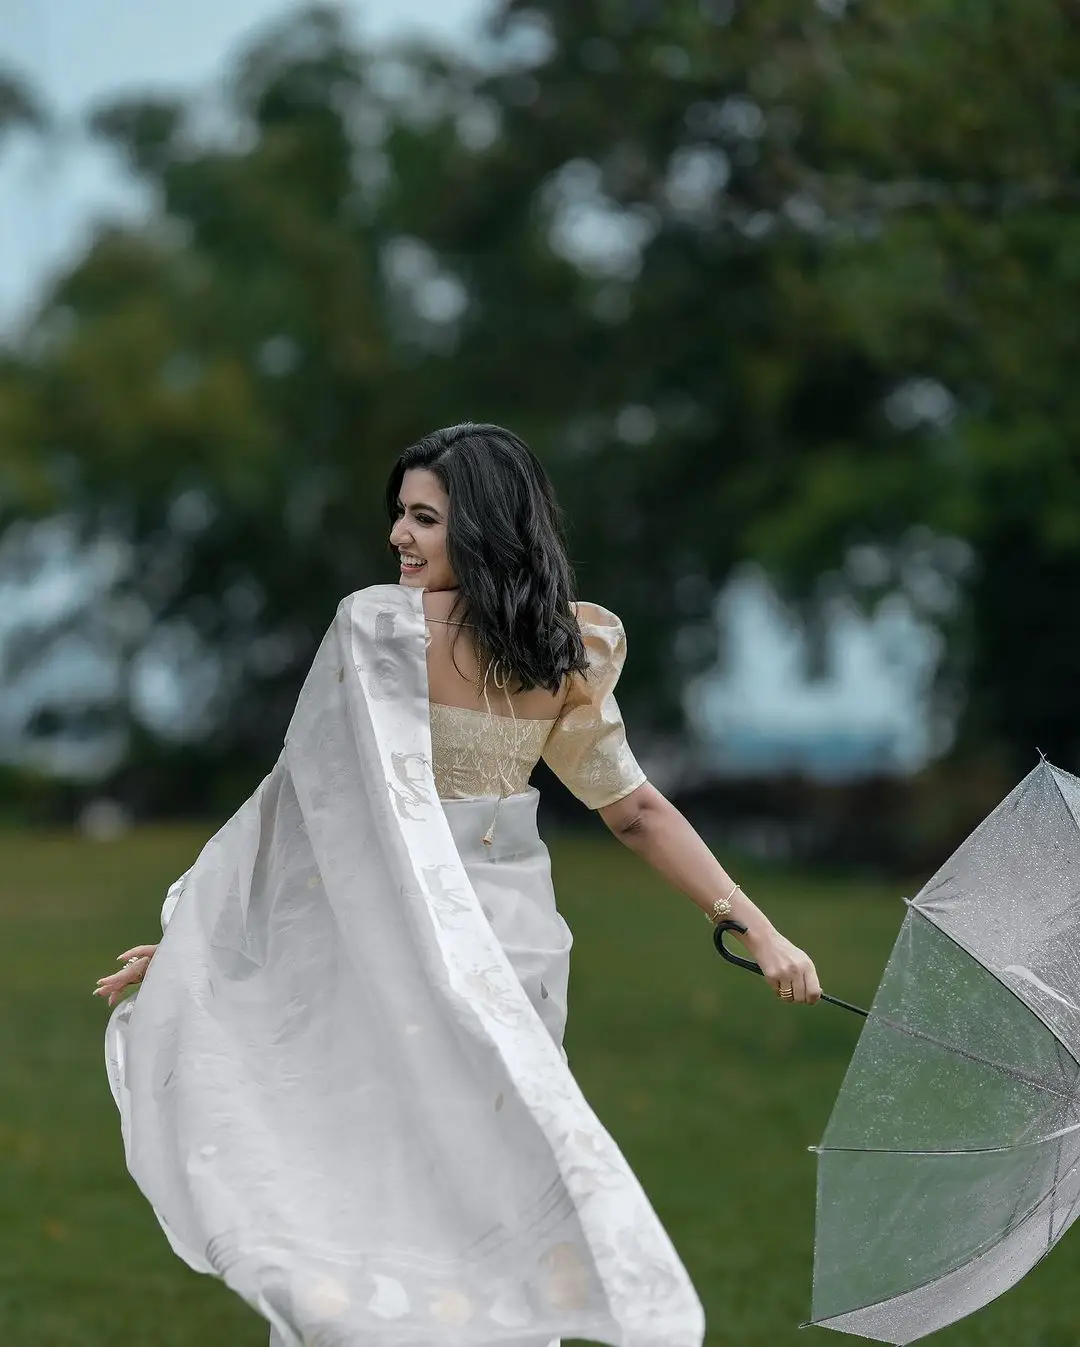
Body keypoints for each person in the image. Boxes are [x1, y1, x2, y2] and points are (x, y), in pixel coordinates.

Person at [94, 423, 820, 1347]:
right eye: (399, 513)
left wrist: (756, 926)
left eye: (425, 518)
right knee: (422, 1168)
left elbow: (633, 807)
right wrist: (200, 942)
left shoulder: (544, 646)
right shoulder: (417, 634)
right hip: (403, 939)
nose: (400, 534)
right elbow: (307, 806)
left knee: (471, 1169)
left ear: (483, 527)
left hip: (497, 955)